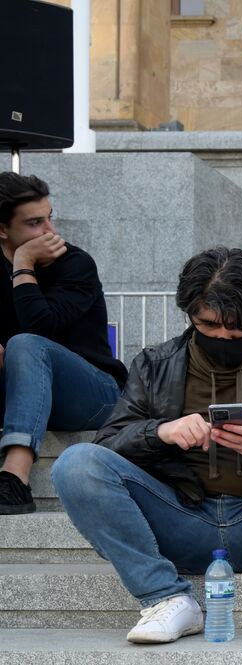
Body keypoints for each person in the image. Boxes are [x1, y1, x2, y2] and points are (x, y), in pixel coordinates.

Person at [52, 248, 242, 644]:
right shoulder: (155, 364)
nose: (223, 336)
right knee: (76, 463)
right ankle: (164, 598)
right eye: (208, 325)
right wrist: (161, 431)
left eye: (237, 328)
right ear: (188, 313)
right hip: (181, 519)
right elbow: (108, 443)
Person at [0, 172, 127, 514]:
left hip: (94, 393)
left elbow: (43, 330)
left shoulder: (76, 264)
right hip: (21, 391)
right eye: (34, 223)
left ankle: (14, 479)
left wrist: (23, 264)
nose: (49, 232)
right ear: (2, 229)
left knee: (25, 344)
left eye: (49, 217)